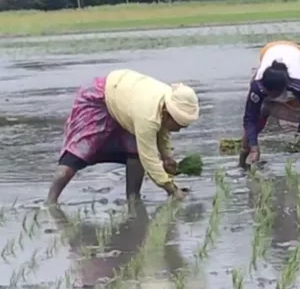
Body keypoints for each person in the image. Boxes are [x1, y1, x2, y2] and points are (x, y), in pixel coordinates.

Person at [47, 69, 200, 204]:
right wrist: (172, 190)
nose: (179, 129)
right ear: (168, 113)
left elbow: (162, 130)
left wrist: (167, 157)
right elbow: (150, 159)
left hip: (126, 104)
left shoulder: (166, 103)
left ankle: (133, 199)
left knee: (135, 152)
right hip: (100, 98)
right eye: (179, 125)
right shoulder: (147, 116)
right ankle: (50, 201)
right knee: (77, 153)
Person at [241, 41, 300, 168]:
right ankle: (243, 163)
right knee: (259, 114)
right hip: (268, 50)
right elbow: (250, 117)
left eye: (274, 94)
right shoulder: (257, 85)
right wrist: (254, 147)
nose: (272, 96)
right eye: (268, 93)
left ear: (285, 88)